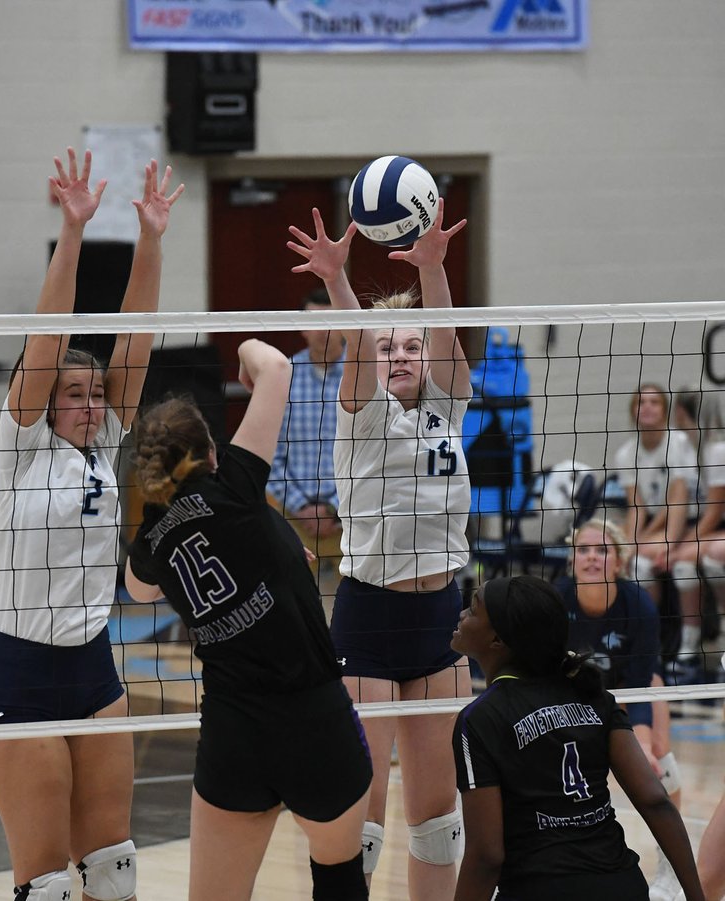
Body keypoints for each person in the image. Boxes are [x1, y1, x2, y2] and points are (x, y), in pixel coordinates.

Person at [0, 147, 183, 901]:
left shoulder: (107, 446)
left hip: (95, 671)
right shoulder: (20, 450)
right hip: (19, 679)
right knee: (50, 885)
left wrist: (150, 239)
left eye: (98, 394)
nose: (92, 405)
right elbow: (48, 337)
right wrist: (74, 230)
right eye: (75, 395)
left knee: (113, 872)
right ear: (44, 401)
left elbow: (137, 337)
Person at [124, 338, 372, 901]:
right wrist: (242, 349)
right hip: (315, 720)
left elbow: (138, 592)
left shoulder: (153, 543)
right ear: (211, 450)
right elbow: (274, 365)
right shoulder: (236, 486)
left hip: (235, 735)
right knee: (339, 881)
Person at [287, 202, 472, 901]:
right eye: (388, 345)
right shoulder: (360, 414)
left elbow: (447, 332)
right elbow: (358, 348)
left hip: (443, 622)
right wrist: (338, 281)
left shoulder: (448, 406)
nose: (399, 354)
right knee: (359, 822)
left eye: (410, 346)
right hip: (369, 620)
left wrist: (432, 268)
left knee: (437, 821)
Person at [451, 575, 704, 901]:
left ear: (497, 640)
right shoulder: (594, 696)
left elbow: (486, 855)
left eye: (472, 610)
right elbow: (655, 801)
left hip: (540, 889)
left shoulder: (479, 719)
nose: (461, 615)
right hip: (622, 886)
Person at [555, 518, 685, 901]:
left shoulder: (639, 604)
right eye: (583, 550)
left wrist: (641, 741)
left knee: (657, 754)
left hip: (630, 690)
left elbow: (642, 682)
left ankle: (672, 865)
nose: (592, 557)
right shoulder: (557, 601)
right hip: (575, 694)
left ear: (618, 561)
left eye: (602, 550)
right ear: (572, 560)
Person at [613, 384, 697, 657]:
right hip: (663, 523)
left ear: (664, 410)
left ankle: (689, 646)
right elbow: (637, 507)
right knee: (636, 564)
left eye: (654, 402)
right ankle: (651, 642)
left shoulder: (678, 443)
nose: (647, 407)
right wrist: (626, 546)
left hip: (695, 520)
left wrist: (669, 545)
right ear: (633, 411)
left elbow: (680, 500)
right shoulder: (626, 454)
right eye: (641, 402)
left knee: (684, 567)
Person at [267, 287, 345, 581]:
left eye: (331, 321)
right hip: (294, 517)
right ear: (301, 327)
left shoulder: (364, 373)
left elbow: (375, 451)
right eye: (315, 321)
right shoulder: (283, 375)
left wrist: (335, 508)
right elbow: (271, 456)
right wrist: (302, 507)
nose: (323, 330)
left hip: (353, 514)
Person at [667, 388, 725, 682]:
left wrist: (682, 547)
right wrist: (672, 546)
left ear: (684, 413)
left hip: (718, 528)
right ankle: (689, 648)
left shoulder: (716, 449)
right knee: (681, 565)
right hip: (707, 529)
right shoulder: (688, 449)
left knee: (714, 557)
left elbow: (715, 512)